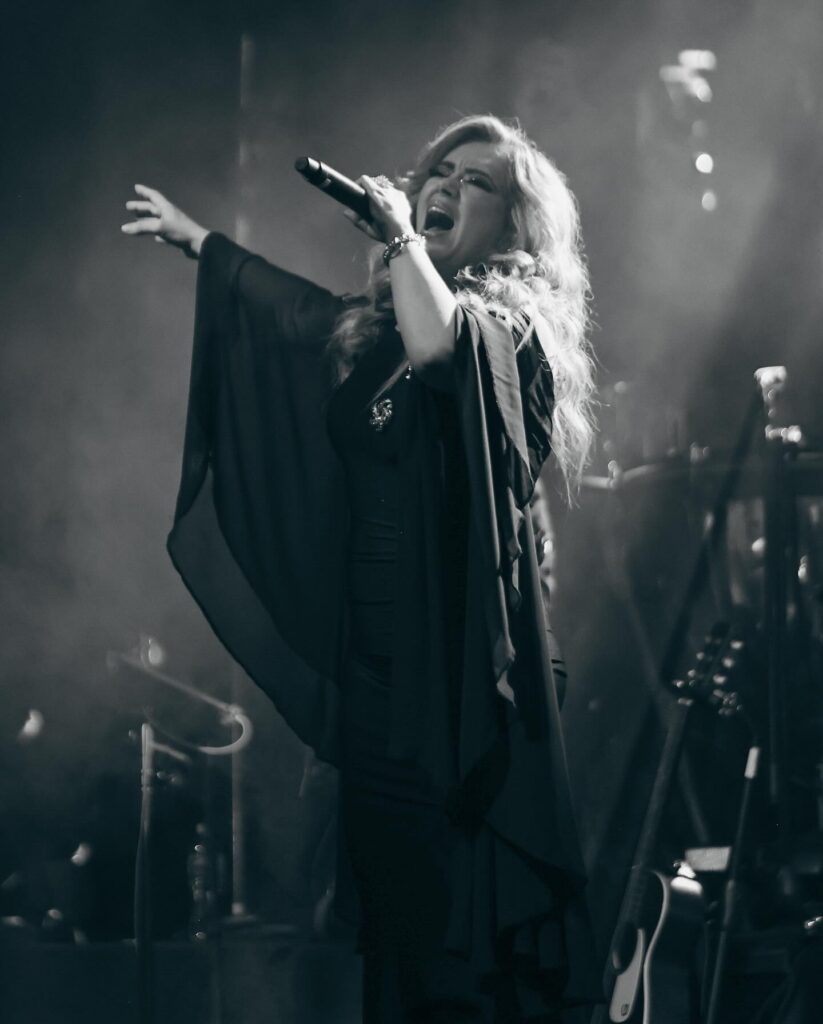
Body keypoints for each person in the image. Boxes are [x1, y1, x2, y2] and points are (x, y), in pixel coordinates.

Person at [122, 114, 599, 1023]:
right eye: (439, 170)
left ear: (515, 224)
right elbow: (300, 316)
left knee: (460, 940)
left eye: (477, 181)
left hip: (461, 684)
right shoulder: (376, 334)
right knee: (396, 940)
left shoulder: (513, 330)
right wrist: (205, 247)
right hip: (379, 679)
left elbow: (442, 349)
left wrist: (404, 240)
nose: (447, 184)